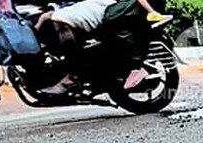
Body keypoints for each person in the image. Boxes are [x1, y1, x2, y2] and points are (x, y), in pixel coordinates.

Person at [35, 0, 167, 95]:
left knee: (60, 20)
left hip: (110, 5)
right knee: (45, 17)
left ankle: (73, 76)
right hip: (92, 3)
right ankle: (39, 64)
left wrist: (152, 11)